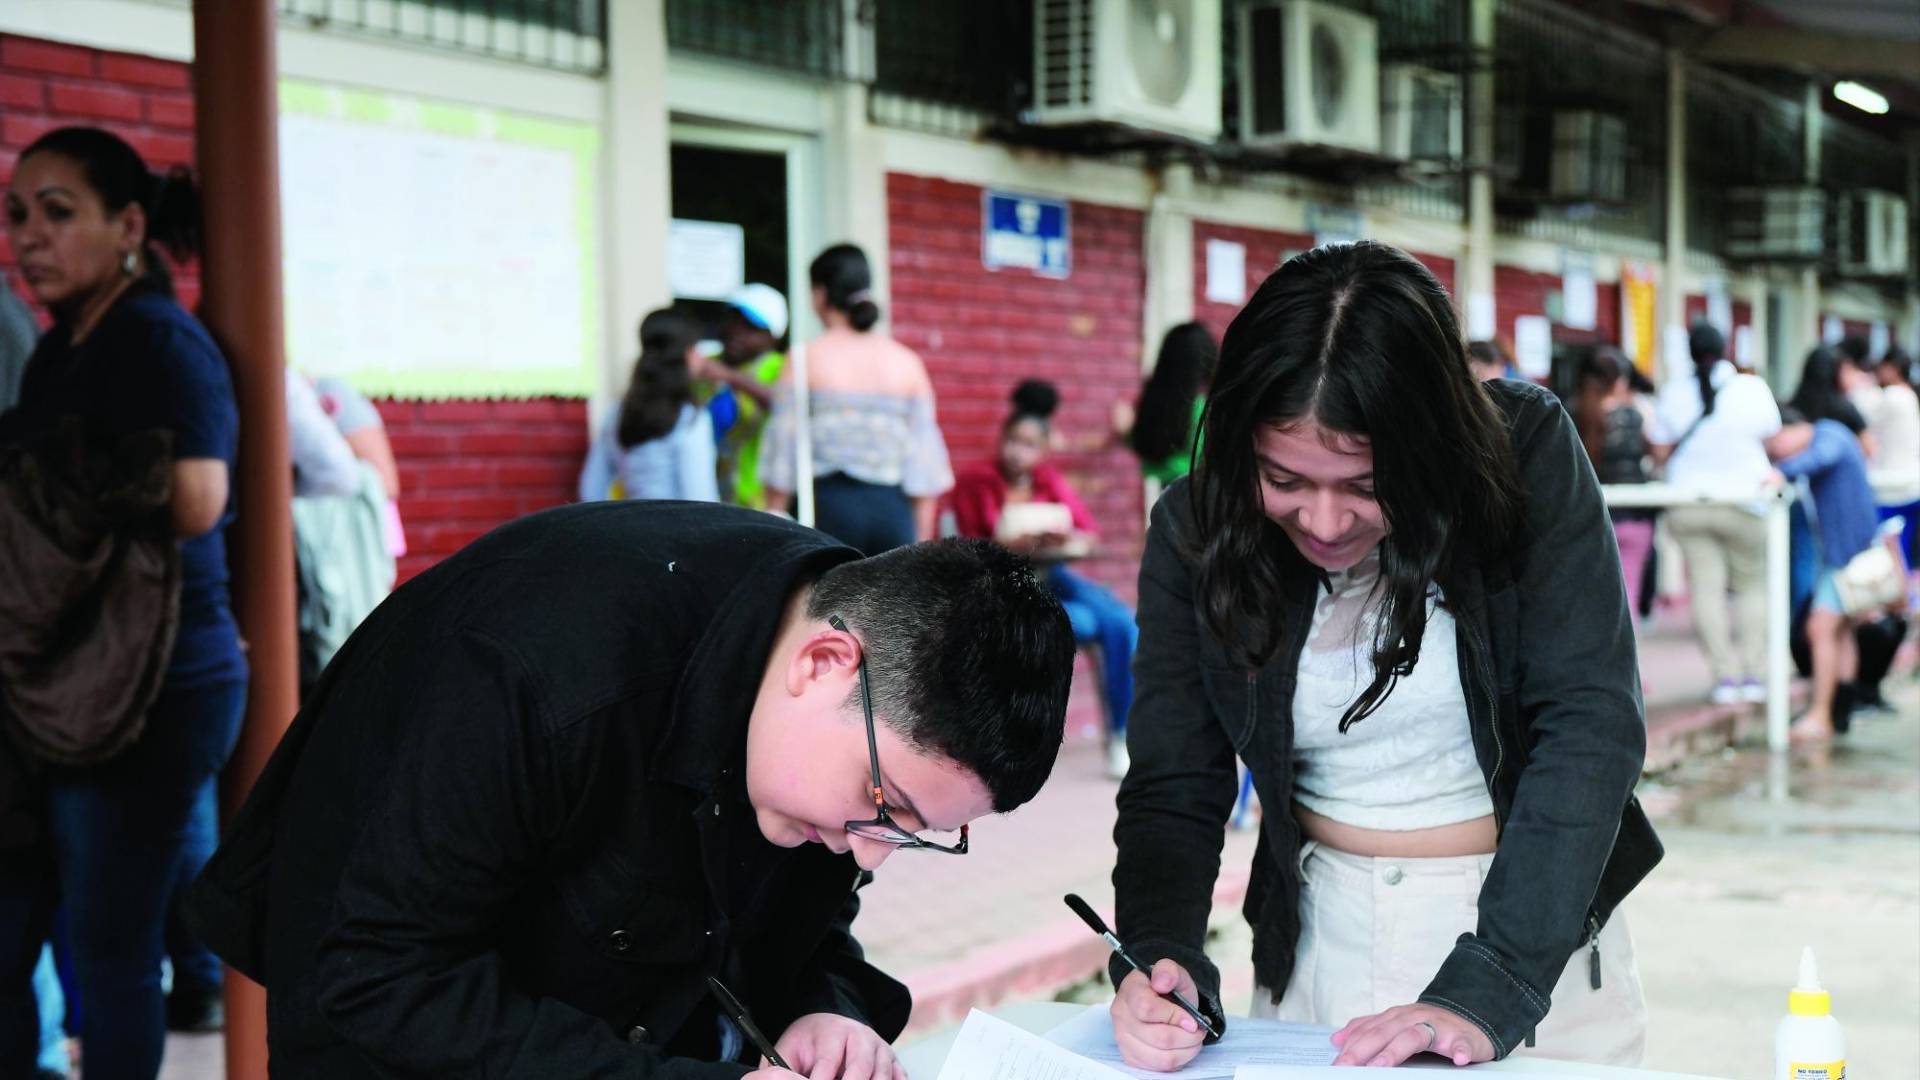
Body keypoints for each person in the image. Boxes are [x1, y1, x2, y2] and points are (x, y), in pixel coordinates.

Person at [184, 502, 1073, 1077]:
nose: (869, 850)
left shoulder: (821, 667)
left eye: (916, 833)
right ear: (824, 663)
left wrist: (822, 1006)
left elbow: (792, 913)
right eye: (885, 805)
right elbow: (376, 977)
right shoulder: (539, 676)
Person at [1110, 242, 1659, 1070]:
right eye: (1284, 480)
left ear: (1431, 448)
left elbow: (1592, 727)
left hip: (1528, 936)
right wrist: (1157, 953)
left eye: (1366, 486)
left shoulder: (1526, 456)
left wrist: (1493, 981)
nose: (1325, 524)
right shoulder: (1199, 525)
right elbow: (1174, 776)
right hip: (1315, 946)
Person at [1, 126, 246, 1079]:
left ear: (128, 225)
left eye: (58, 214)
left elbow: (198, 499)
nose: (29, 237)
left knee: (109, 946)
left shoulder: (158, 339)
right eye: (19, 215)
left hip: (157, 686)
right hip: (60, 678)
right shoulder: (60, 347)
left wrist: (51, 486)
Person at [949, 380, 1140, 779]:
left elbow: (1087, 532)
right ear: (1001, 440)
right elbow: (972, 544)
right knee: (1084, 622)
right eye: (1013, 441)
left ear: (1043, 450)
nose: (1019, 452)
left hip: (1052, 571)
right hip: (1001, 580)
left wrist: (1062, 535)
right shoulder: (977, 481)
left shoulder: (1047, 481)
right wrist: (1015, 542)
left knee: (1122, 623)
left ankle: (1122, 735)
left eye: (1030, 445)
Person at [762, 244, 953, 554]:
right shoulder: (907, 362)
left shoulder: (805, 359)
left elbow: (783, 448)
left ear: (820, 294)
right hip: (893, 516)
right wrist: (921, 543)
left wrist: (775, 512)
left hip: (827, 513)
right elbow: (925, 464)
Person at [1650, 323, 1782, 706]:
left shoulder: (1675, 390)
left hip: (1689, 503)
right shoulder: (1750, 387)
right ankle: (1753, 674)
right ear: (1726, 349)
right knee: (1751, 587)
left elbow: (1659, 451)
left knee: (1705, 589)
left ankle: (1724, 678)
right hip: (1745, 501)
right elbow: (1773, 441)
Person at [1766, 409, 1882, 741]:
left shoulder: (1829, 434)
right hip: (1848, 552)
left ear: (1790, 430)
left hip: (1845, 555)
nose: (1777, 451)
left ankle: (1820, 714)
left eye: (1775, 444)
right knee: (1841, 632)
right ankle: (1839, 712)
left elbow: (1818, 459)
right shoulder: (1834, 435)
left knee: (1820, 628)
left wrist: (1780, 472)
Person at [579, 308, 719, 503]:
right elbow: (701, 498)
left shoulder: (618, 412)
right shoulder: (691, 419)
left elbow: (591, 488)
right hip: (678, 530)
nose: (701, 357)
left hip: (629, 526)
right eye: (696, 348)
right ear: (686, 355)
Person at [1570, 346, 1655, 620]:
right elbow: (1655, 450)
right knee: (1627, 588)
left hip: (1587, 515)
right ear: (1619, 381)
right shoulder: (1633, 415)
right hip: (1634, 513)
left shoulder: (1572, 413)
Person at [701, 283, 789, 508]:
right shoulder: (709, 362)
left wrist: (730, 377)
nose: (736, 333)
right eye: (733, 322)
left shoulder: (780, 367)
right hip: (706, 496)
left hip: (756, 502)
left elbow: (782, 403)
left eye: (750, 328)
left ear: (773, 337)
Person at [1115, 322, 1216, 486]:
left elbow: (1150, 450)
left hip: (1167, 492)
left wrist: (1127, 432)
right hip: (1196, 494)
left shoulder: (1154, 400)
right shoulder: (1204, 409)